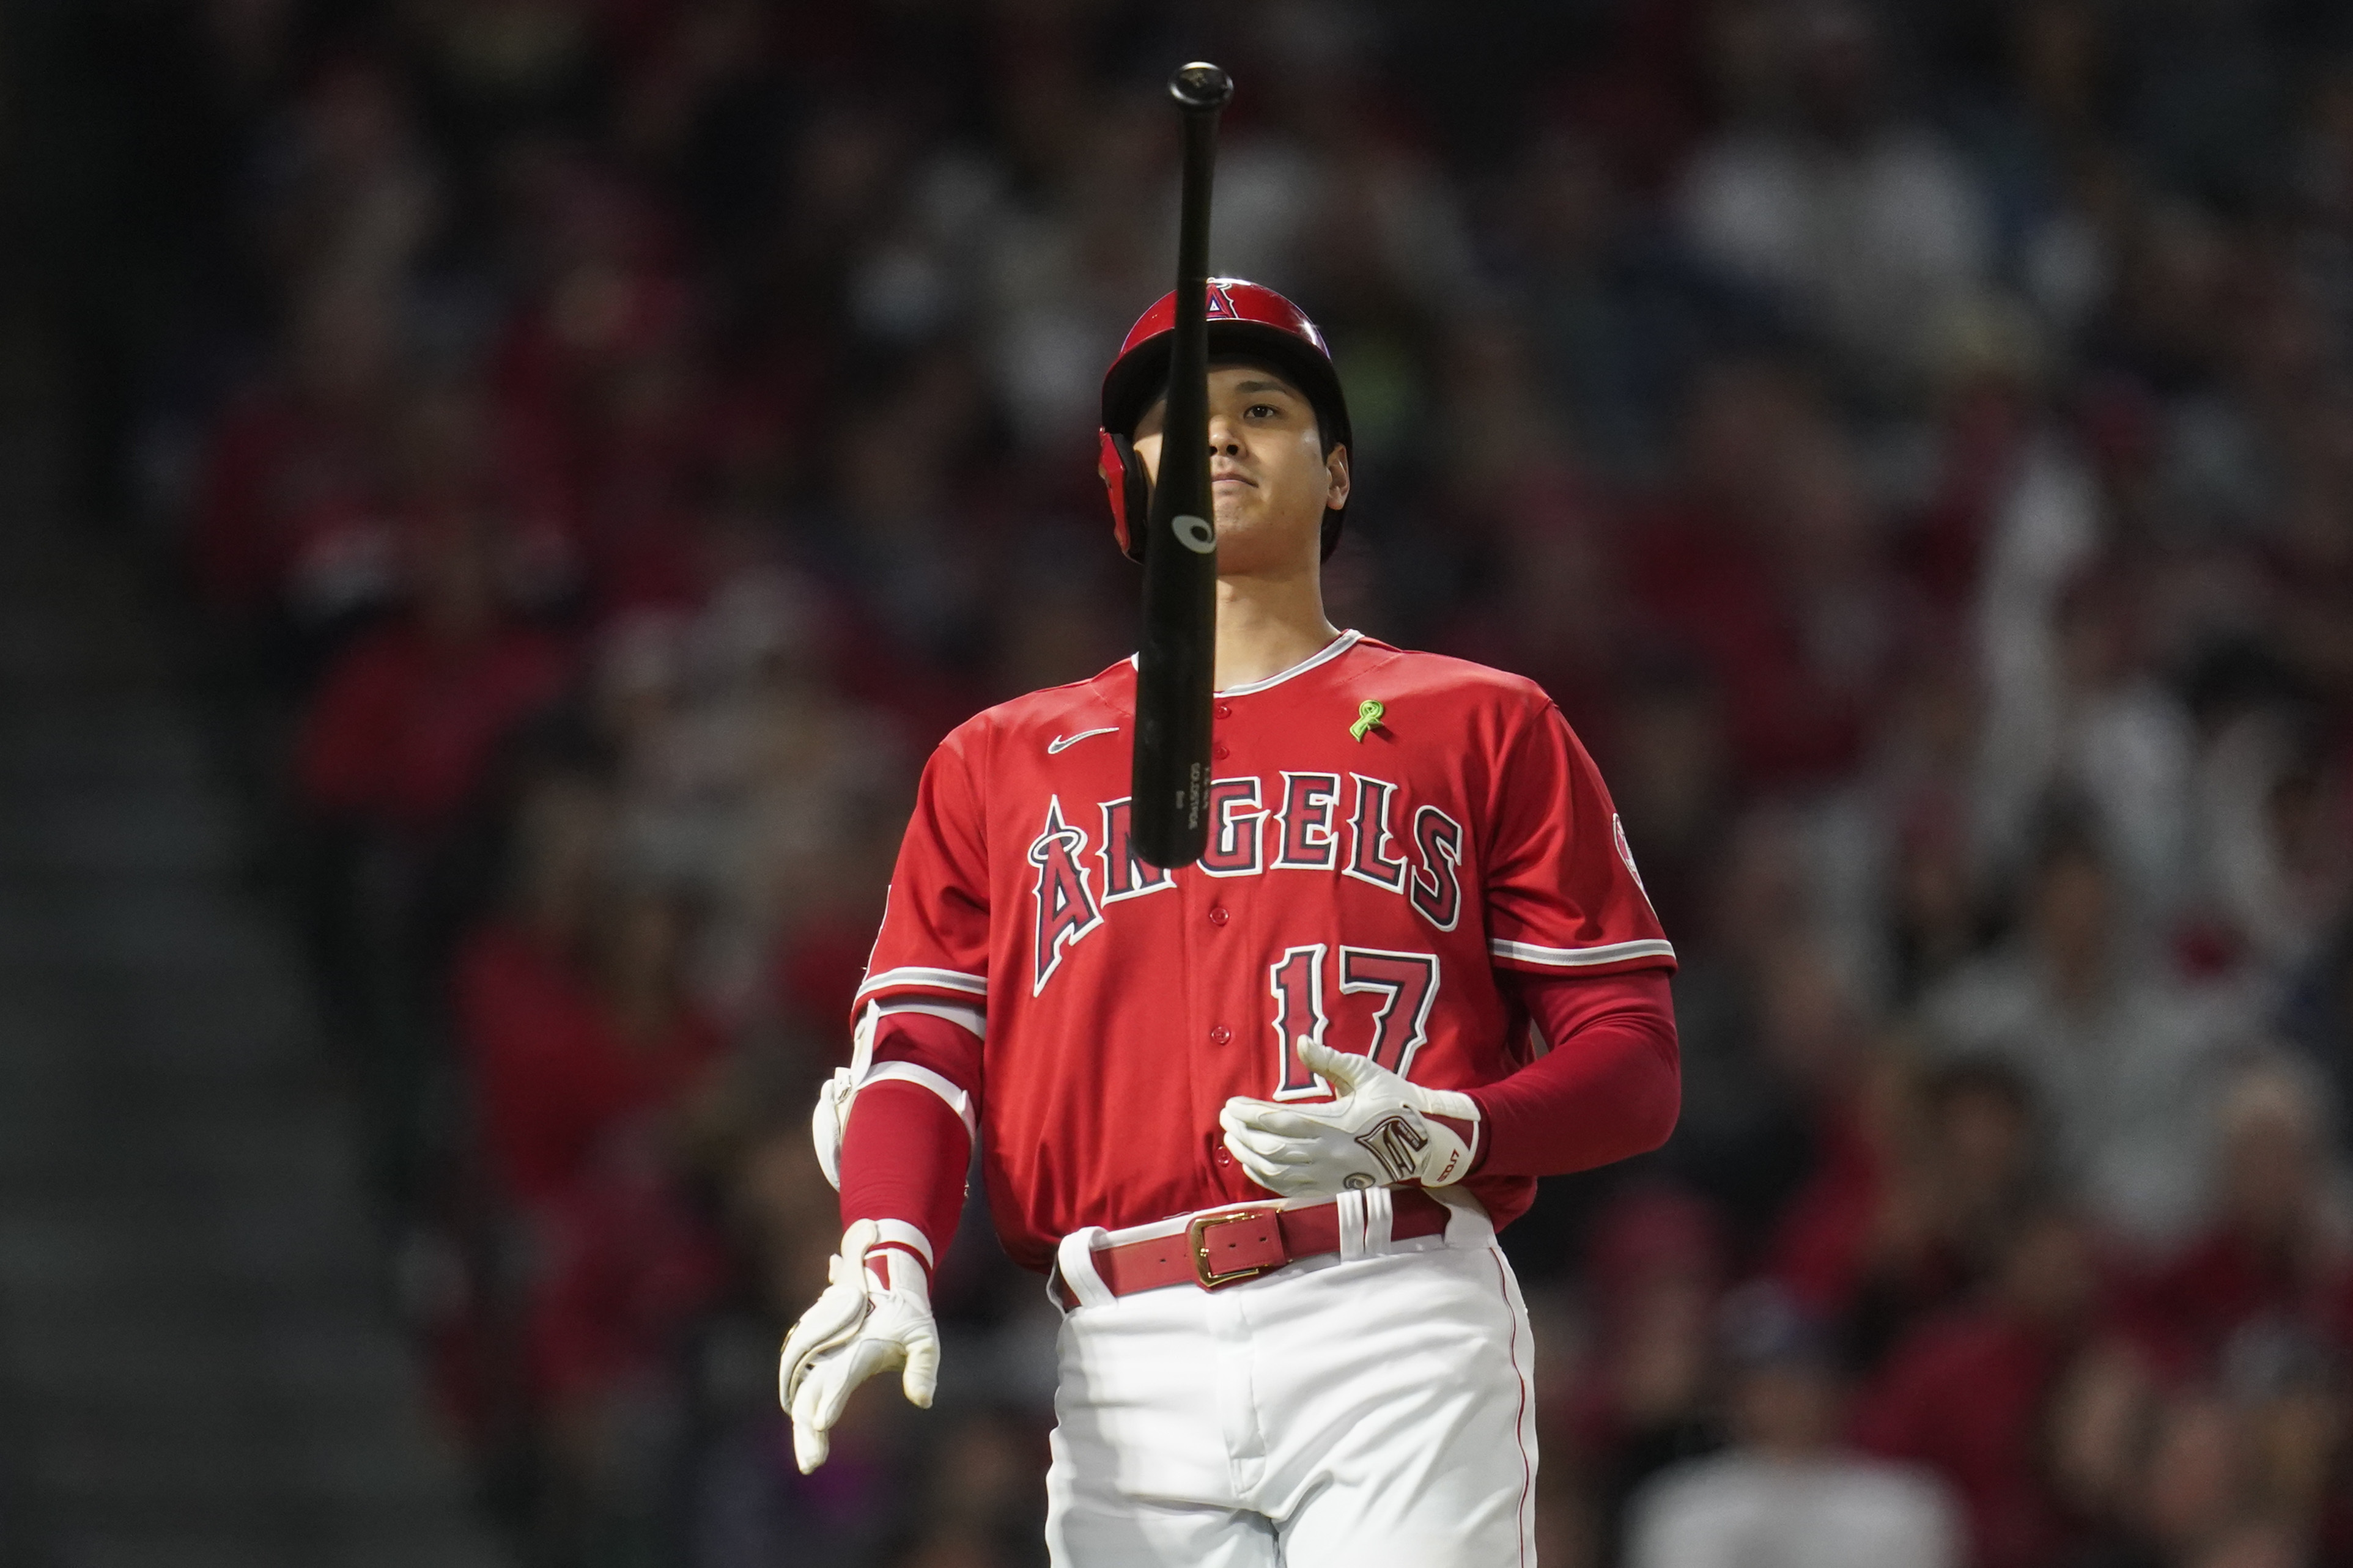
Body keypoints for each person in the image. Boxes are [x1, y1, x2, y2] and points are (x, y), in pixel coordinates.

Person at [777, 278, 1682, 1564]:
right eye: (1175, 423)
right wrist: (883, 1244)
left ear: (1339, 471)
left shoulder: (1484, 720)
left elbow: (1636, 1062)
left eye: (1261, 407)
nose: (1216, 438)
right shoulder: (997, 760)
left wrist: (1449, 1126)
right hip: (1118, 1345)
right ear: (1123, 488)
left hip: (1391, 1304)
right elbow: (916, 1048)